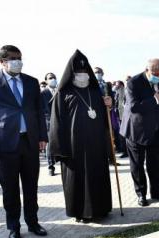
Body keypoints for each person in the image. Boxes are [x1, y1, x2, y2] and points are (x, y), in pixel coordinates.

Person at [0, 45, 48, 238]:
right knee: (10, 189)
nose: (17, 61)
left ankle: (33, 222)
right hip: (4, 144)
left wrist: (42, 136)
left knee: (31, 186)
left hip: (30, 142)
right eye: (12, 58)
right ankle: (14, 227)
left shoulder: (32, 82)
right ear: (2, 61)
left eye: (19, 57)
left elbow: (38, 112)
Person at [49, 50, 112, 222]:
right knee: (79, 180)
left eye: (85, 72)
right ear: (72, 73)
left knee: (98, 176)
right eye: (79, 72)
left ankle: (101, 208)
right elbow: (56, 124)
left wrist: (108, 105)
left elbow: (103, 118)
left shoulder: (95, 91)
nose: (83, 75)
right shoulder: (63, 93)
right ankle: (81, 212)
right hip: (74, 147)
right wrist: (59, 149)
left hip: (96, 144)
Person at [120, 58, 159, 207]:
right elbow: (134, 106)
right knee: (137, 165)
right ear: (147, 70)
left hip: (155, 131)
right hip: (135, 131)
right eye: (155, 73)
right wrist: (154, 99)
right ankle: (141, 194)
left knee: (154, 164)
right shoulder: (133, 83)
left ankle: (157, 192)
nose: (158, 76)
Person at [40, 72, 57, 176]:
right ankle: (51, 166)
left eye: (54, 77)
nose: (53, 79)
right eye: (50, 78)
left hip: (61, 122)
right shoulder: (43, 94)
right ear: (46, 81)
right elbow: (42, 110)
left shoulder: (60, 91)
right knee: (50, 145)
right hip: (49, 122)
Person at [114, 80, 128, 158]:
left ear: (122, 85)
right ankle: (124, 150)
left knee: (124, 134)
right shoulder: (117, 93)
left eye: (118, 85)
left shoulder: (125, 91)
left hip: (124, 116)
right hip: (119, 116)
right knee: (121, 134)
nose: (117, 86)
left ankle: (126, 151)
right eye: (116, 85)